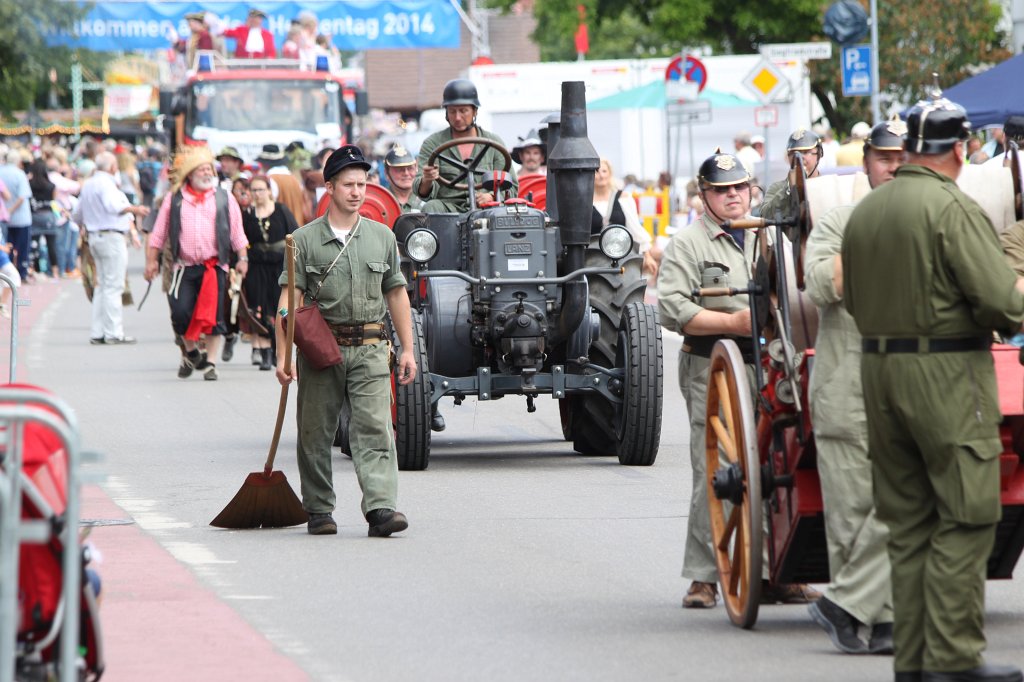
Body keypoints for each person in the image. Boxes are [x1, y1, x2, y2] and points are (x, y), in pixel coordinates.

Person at [842, 91, 1024, 682]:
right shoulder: (953, 208)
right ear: (962, 149)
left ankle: (915, 661)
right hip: (945, 374)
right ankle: (952, 658)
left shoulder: (867, 211)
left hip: (878, 371)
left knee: (910, 522)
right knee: (966, 515)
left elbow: (855, 298)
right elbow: (1002, 301)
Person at [658, 149, 821, 609]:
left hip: (769, 361)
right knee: (718, 470)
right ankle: (706, 578)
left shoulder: (770, 235)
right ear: (704, 195)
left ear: (751, 190)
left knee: (775, 464)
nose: (733, 197)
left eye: (739, 188)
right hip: (711, 362)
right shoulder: (689, 242)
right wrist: (730, 323)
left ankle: (777, 573)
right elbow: (672, 308)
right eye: (721, 190)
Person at [803, 118, 907, 656]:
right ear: (866, 163)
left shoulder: (928, 220)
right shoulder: (839, 221)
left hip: (907, 391)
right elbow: (820, 284)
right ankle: (871, 621)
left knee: (901, 505)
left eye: (904, 158)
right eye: (885, 158)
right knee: (851, 515)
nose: (895, 167)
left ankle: (848, 605)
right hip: (847, 388)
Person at [274, 145, 416, 537]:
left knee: (375, 429)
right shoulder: (301, 241)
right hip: (322, 349)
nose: (357, 191)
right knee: (314, 432)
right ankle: (319, 509)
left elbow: (396, 293)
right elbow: (288, 303)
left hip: (371, 347)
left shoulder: (382, 236)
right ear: (330, 188)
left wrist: (407, 349)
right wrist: (283, 355)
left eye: (362, 184)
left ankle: (381, 508)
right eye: (348, 184)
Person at [144, 146, 249, 381]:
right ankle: (191, 352)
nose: (206, 173)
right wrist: (151, 262)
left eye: (209, 169)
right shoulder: (175, 198)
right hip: (183, 267)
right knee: (180, 313)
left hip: (215, 267)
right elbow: (158, 233)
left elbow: (236, 233)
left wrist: (242, 258)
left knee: (214, 317)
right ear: (189, 174)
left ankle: (210, 363)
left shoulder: (224, 197)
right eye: (201, 169)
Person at [73, 152, 148, 344]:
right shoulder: (106, 184)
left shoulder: (89, 183)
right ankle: (113, 332)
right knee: (114, 285)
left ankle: (98, 332)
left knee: (102, 285)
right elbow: (113, 206)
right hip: (110, 236)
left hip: (95, 237)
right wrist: (135, 209)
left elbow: (77, 214)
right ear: (112, 166)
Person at [414, 79, 517, 213]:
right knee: (431, 208)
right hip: (448, 209)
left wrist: (491, 196)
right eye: (452, 111)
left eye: (463, 111)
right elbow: (422, 192)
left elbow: (512, 187)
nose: (457, 117)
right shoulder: (432, 144)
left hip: (486, 209)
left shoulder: (493, 143)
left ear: (475, 111)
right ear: (446, 113)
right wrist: (427, 179)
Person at [242, 175, 298, 370]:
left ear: (269, 191)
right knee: (259, 307)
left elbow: (295, 235)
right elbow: (241, 240)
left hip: (279, 266)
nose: (257, 194)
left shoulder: (281, 210)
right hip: (257, 267)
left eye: (261, 189)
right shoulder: (247, 214)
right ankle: (265, 353)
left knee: (279, 307)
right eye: (254, 190)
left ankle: (278, 350)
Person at [591, 157, 655, 276]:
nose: (601, 175)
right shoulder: (585, 201)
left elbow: (635, 228)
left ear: (610, 174)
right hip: (594, 256)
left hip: (621, 255)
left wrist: (648, 256)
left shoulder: (624, 197)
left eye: (604, 171)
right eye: (596, 171)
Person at [757, 128, 823, 220]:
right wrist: (788, 189)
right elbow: (765, 216)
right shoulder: (777, 188)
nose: (799, 157)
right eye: (794, 153)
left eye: (805, 152)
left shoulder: (828, 185)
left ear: (819, 154)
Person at [257, 144, 309, 228]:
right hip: (299, 229)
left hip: (281, 231)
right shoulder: (294, 179)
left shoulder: (270, 180)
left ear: (264, 163)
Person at [0, 150, 33, 280]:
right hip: (19, 218)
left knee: (6, 246)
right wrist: (11, 210)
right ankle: (20, 273)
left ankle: (6, 273)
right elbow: (22, 196)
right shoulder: (20, 174)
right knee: (22, 248)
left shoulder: (1, 171)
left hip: (5, 217)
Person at [382, 145, 423, 213]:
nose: (406, 173)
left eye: (410, 168)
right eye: (399, 170)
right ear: (386, 173)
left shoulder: (427, 198)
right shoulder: (380, 200)